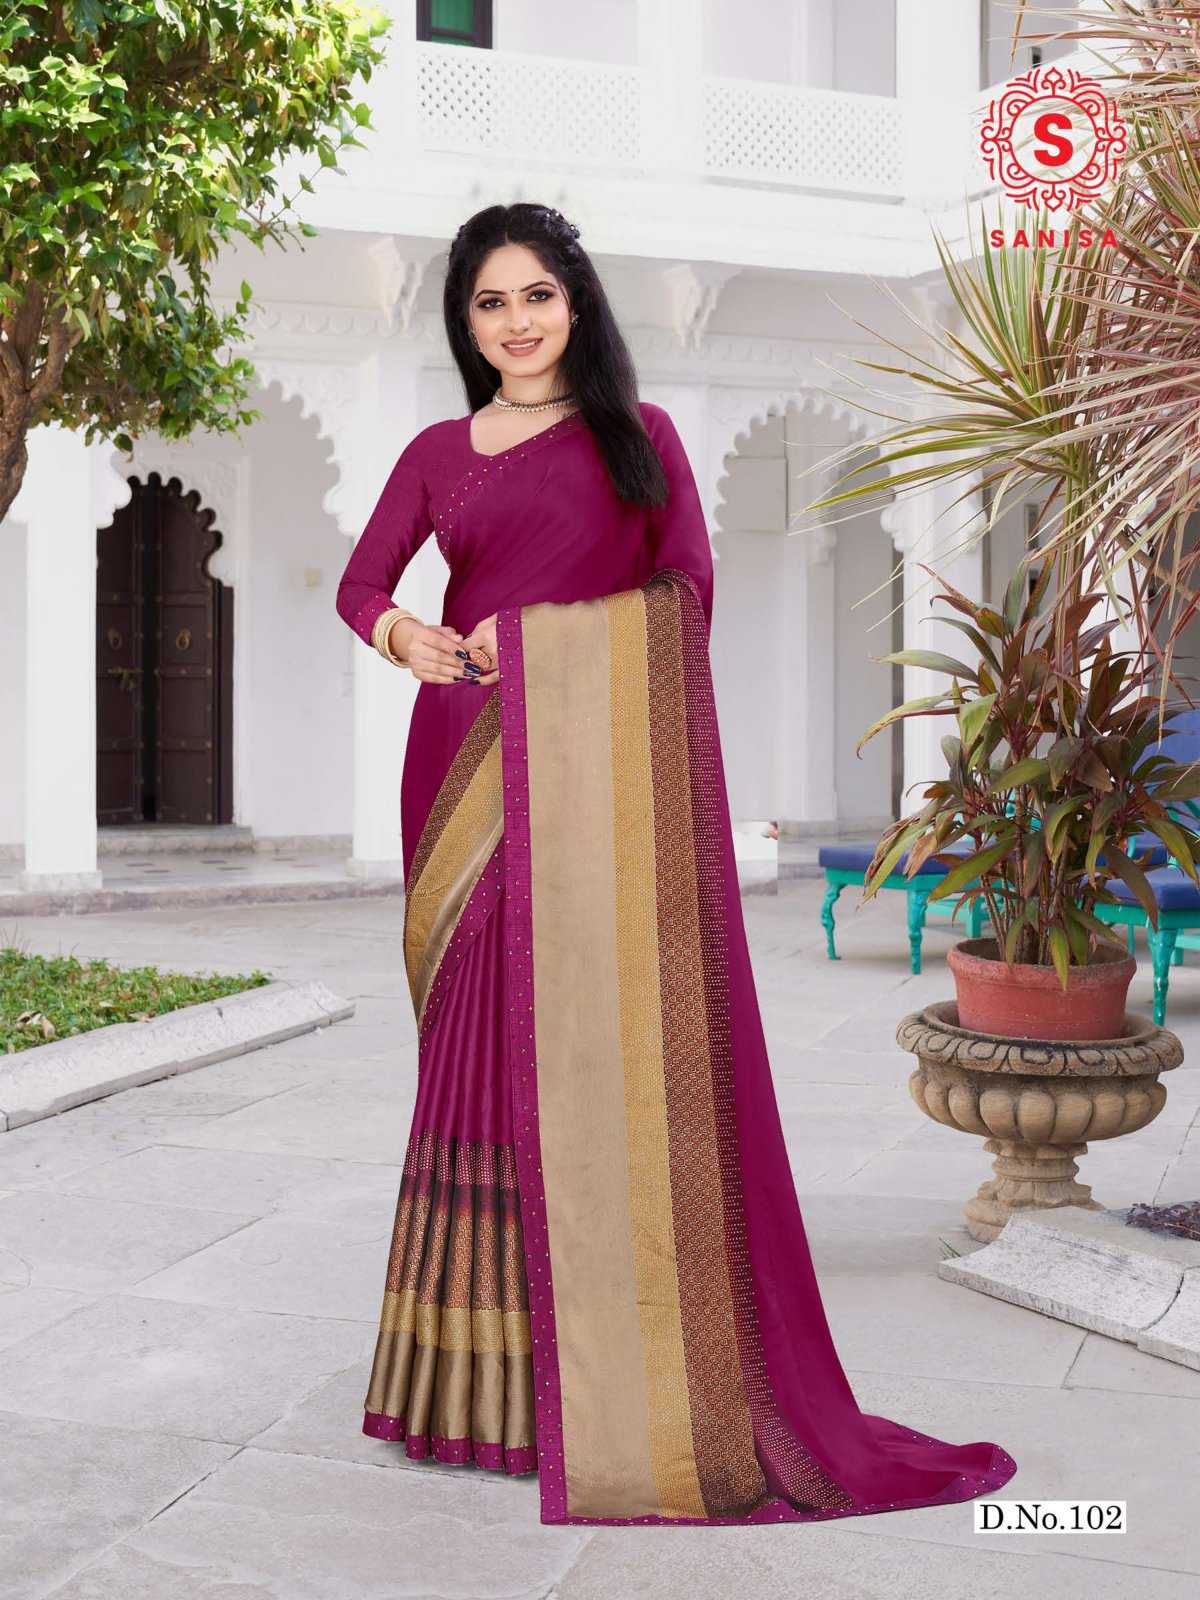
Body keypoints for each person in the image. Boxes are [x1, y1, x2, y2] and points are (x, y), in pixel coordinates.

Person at [334, 201, 1017, 1528]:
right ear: (465, 323)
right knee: (474, 1049)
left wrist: (542, 641)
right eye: (490, 303)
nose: (516, 322)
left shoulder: (638, 439)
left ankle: (609, 1379)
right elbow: (364, 585)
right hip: (463, 769)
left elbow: (687, 595)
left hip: (595, 782)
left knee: (597, 1054)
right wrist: (407, 638)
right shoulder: (435, 453)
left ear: (576, 304)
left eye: (537, 295)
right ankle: (471, 1390)